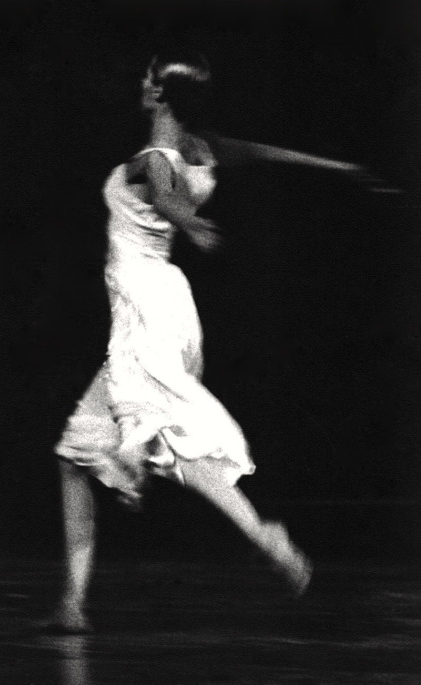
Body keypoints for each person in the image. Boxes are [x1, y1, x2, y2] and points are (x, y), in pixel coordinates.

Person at [49, 49, 396, 633]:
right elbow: (259, 156)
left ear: (160, 93)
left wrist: (190, 222)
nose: (140, 82)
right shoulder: (203, 150)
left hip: (145, 312)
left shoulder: (154, 159)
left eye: (148, 77)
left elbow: (163, 193)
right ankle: (79, 603)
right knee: (79, 457)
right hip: (161, 310)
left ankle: (135, 471)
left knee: (150, 432)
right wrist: (336, 168)